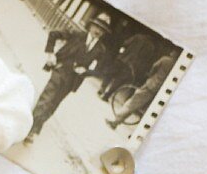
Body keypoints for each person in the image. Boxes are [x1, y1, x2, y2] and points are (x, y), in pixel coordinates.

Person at [28, 11, 111, 142]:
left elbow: (100, 70)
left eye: (102, 29)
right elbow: (53, 34)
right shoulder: (77, 35)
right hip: (60, 70)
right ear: (91, 25)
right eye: (97, 26)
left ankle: (36, 127)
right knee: (46, 98)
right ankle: (29, 128)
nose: (98, 31)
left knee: (53, 104)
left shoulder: (101, 49)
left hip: (72, 81)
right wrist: (51, 54)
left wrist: (85, 71)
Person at [106, 52, 176, 129]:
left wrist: (150, 75)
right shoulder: (175, 67)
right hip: (159, 90)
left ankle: (115, 122)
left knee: (132, 103)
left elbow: (154, 67)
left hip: (151, 85)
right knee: (141, 109)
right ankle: (119, 123)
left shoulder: (165, 59)